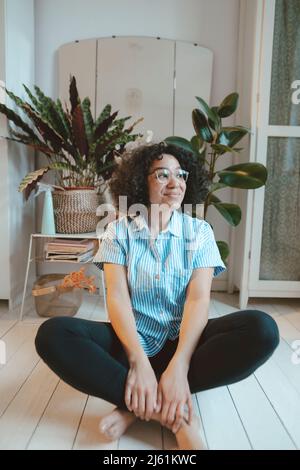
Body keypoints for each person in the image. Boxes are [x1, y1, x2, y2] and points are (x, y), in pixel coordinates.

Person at [35, 142, 280, 450]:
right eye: (162, 175)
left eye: (180, 175)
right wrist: (137, 361)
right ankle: (174, 415)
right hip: (131, 343)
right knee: (52, 334)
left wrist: (179, 365)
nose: (175, 183)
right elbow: (118, 300)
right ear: (141, 180)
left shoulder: (200, 232)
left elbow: (198, 300)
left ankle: (134, 408)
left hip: (185, 341)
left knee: (262, 329)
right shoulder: (117, 233)